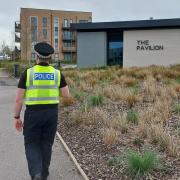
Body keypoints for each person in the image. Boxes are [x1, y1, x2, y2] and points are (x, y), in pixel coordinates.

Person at [14, 42, 70, 180]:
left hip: (33, 114)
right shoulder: (57, 74)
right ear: (50, 57)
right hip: (51, 113)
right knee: (46, 143)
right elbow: (67, 95)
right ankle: (44, 174)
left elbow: (18, 99)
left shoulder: (28, 73)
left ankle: (36, 174)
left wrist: (16, 117)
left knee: (32, 143)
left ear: (36, 56)